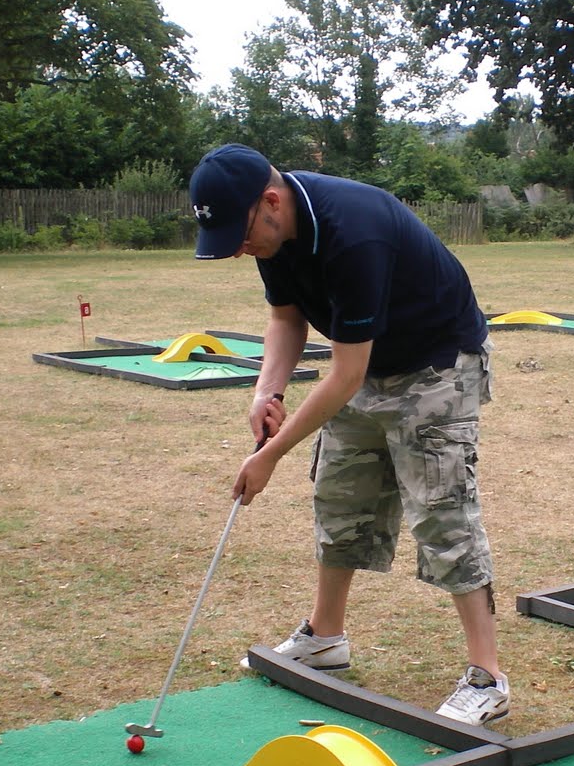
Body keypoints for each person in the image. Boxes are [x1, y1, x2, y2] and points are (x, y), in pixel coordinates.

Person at [188, 144, 508, 725]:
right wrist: (268, 392)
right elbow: (287, 319)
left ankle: (487, 677)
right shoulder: (273, 234)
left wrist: (272, 457)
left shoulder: (352, 234)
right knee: (339, 495)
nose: (239, 248)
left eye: (241, 233)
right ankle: (326, 638)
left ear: (271, 201)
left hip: (436, 363)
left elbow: (345, 373)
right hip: (367, 365)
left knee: (442, 512)